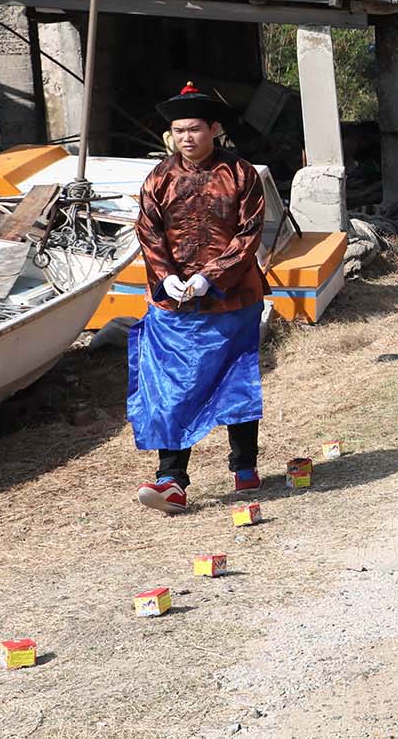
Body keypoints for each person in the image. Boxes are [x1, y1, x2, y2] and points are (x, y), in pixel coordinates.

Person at [128, 83, 269, 514]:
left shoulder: (241, 174)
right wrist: (167, 277)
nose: (186, 138)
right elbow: (148, 231)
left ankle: (244, 465)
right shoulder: (158, 178)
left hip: (232, 298)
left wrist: (211, 276)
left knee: (235, 378)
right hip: (174, 304)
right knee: (170, 384)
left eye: (194, 129)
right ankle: (171, 479)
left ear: (214, 129)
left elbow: (249, 233)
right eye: (178, 131)